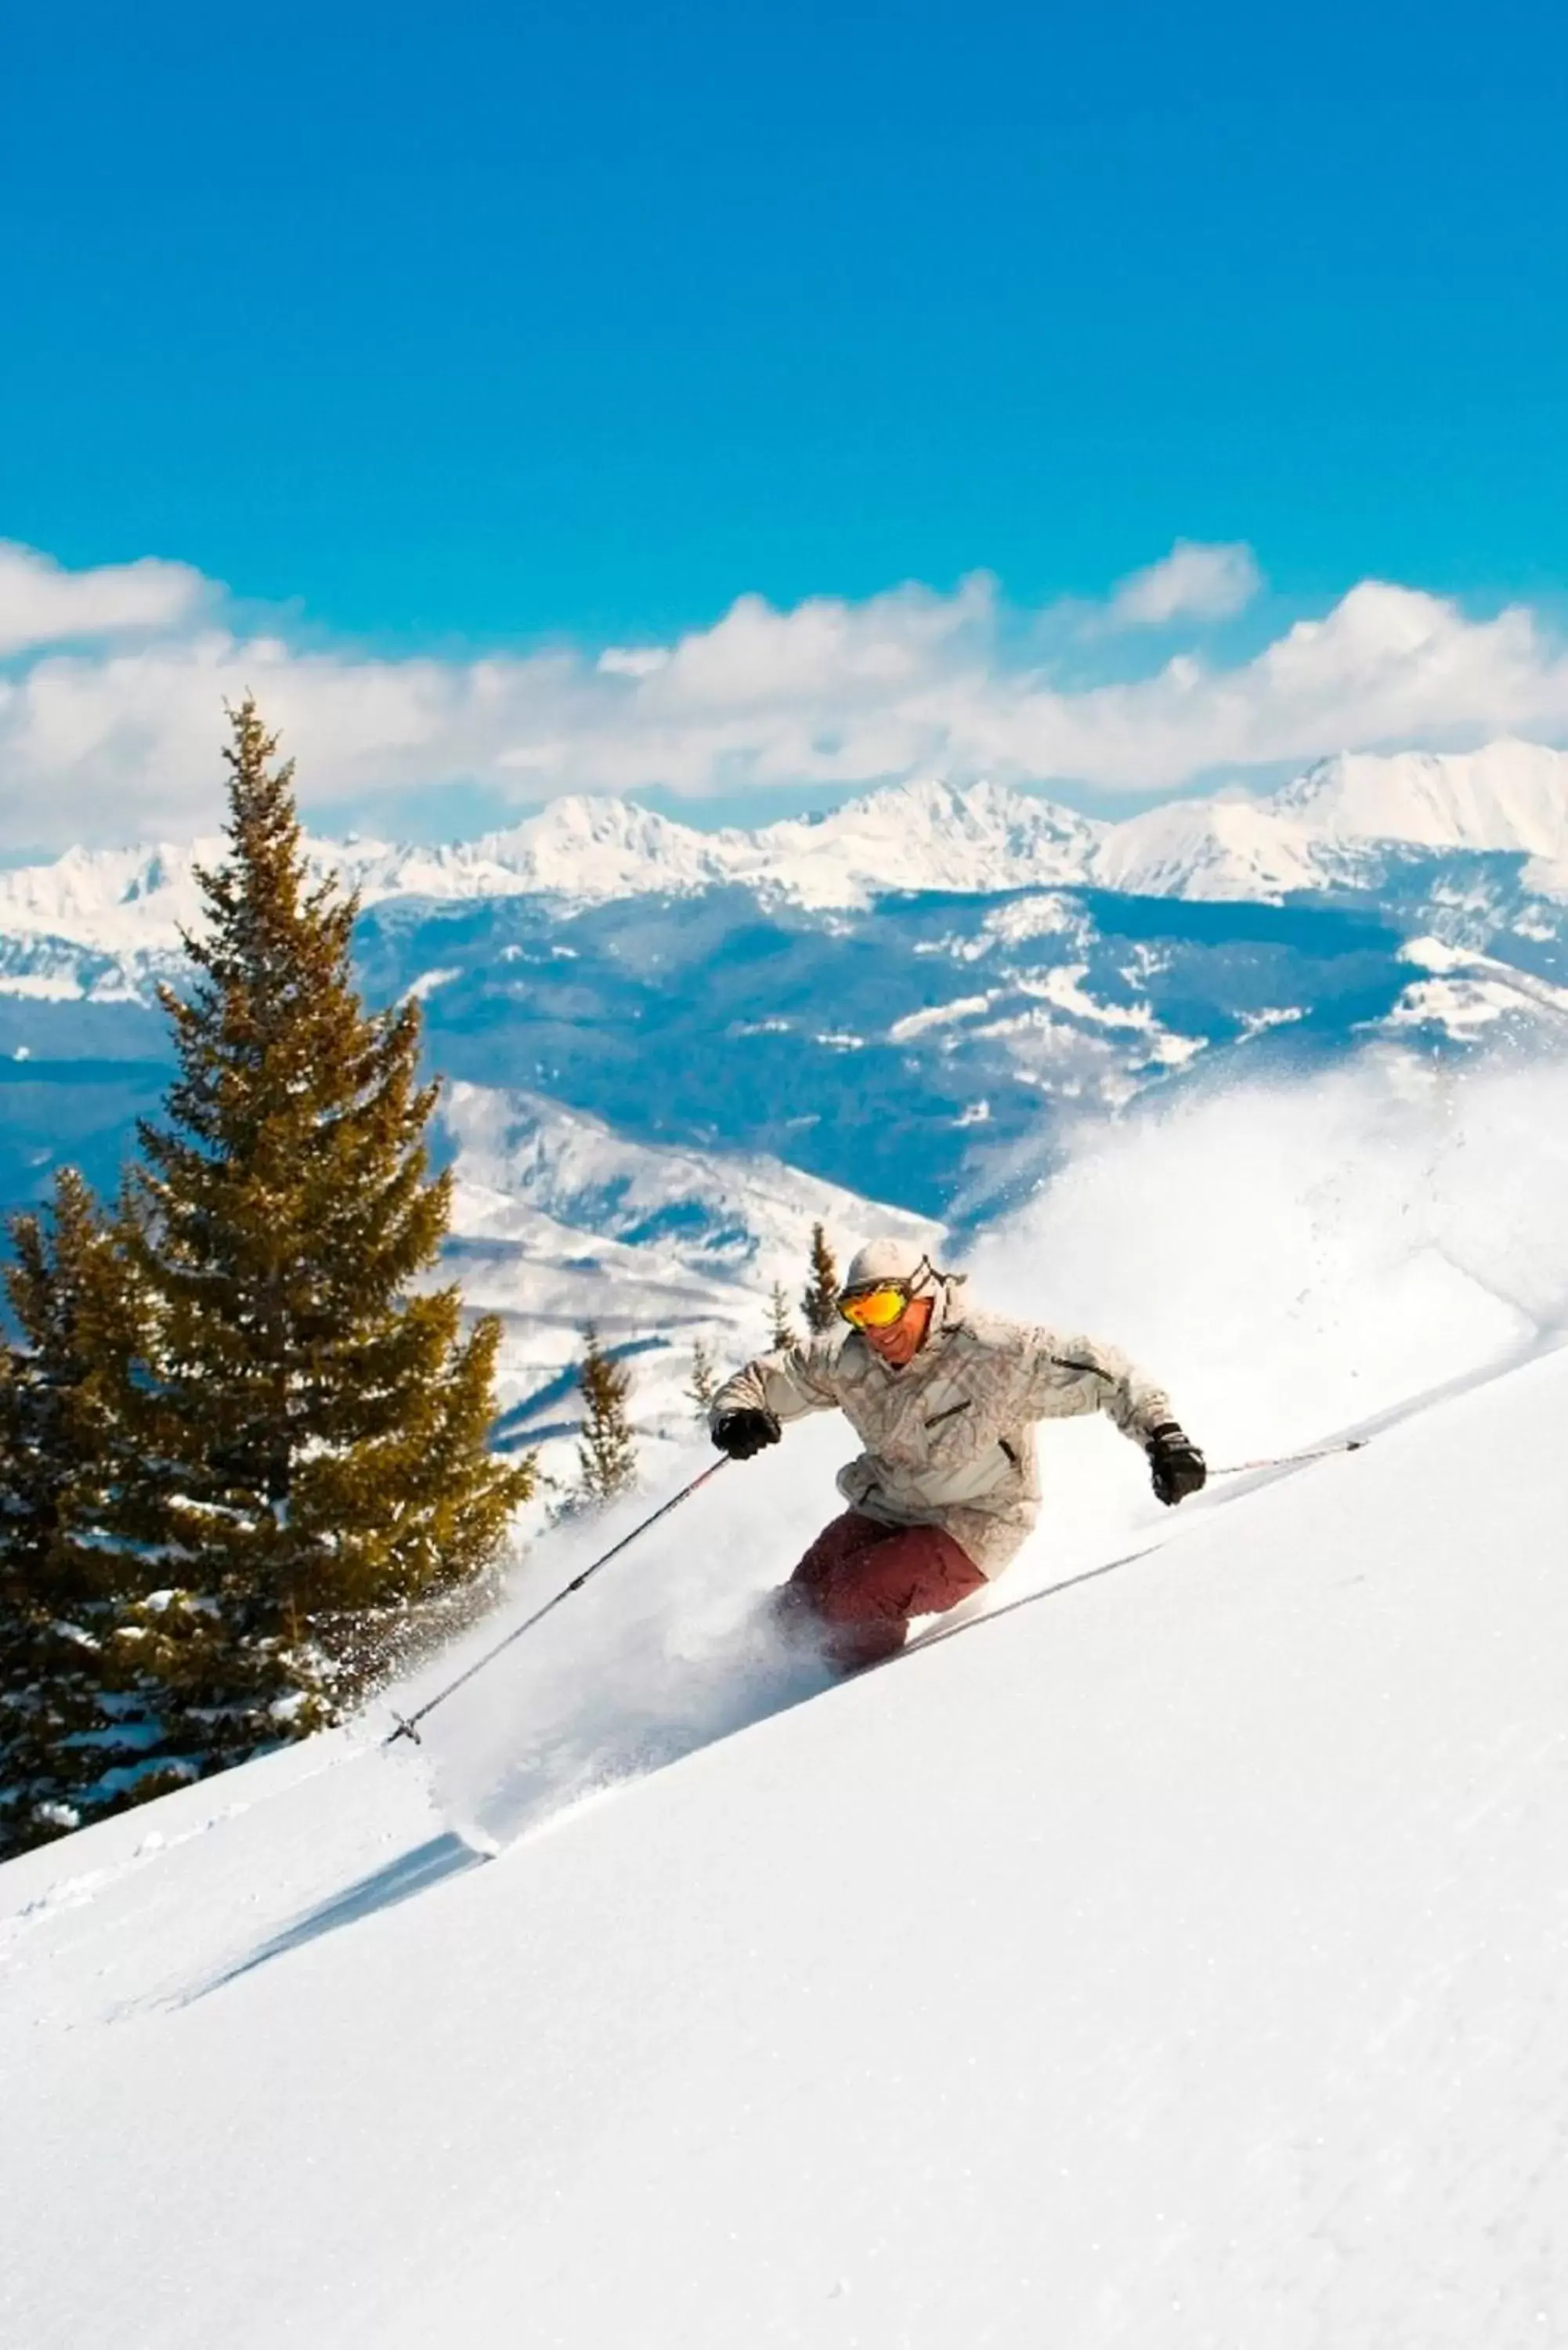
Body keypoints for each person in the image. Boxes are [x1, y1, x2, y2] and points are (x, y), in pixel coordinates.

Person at [710, 1236, 1206, 1672]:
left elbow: (1109, 1373)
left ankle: (831, 1707)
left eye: (881, 1309)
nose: (874, 1330)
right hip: (889, 1506)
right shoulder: (853, 1360)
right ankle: (739, 1689)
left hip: (976, 1524)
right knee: (796, 1606)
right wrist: (737, 1415)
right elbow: (770, 1378)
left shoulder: (995, 1352)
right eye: (857, 1314)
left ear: (923, 1295)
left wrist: (1163, 1438)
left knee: (851, 1601)